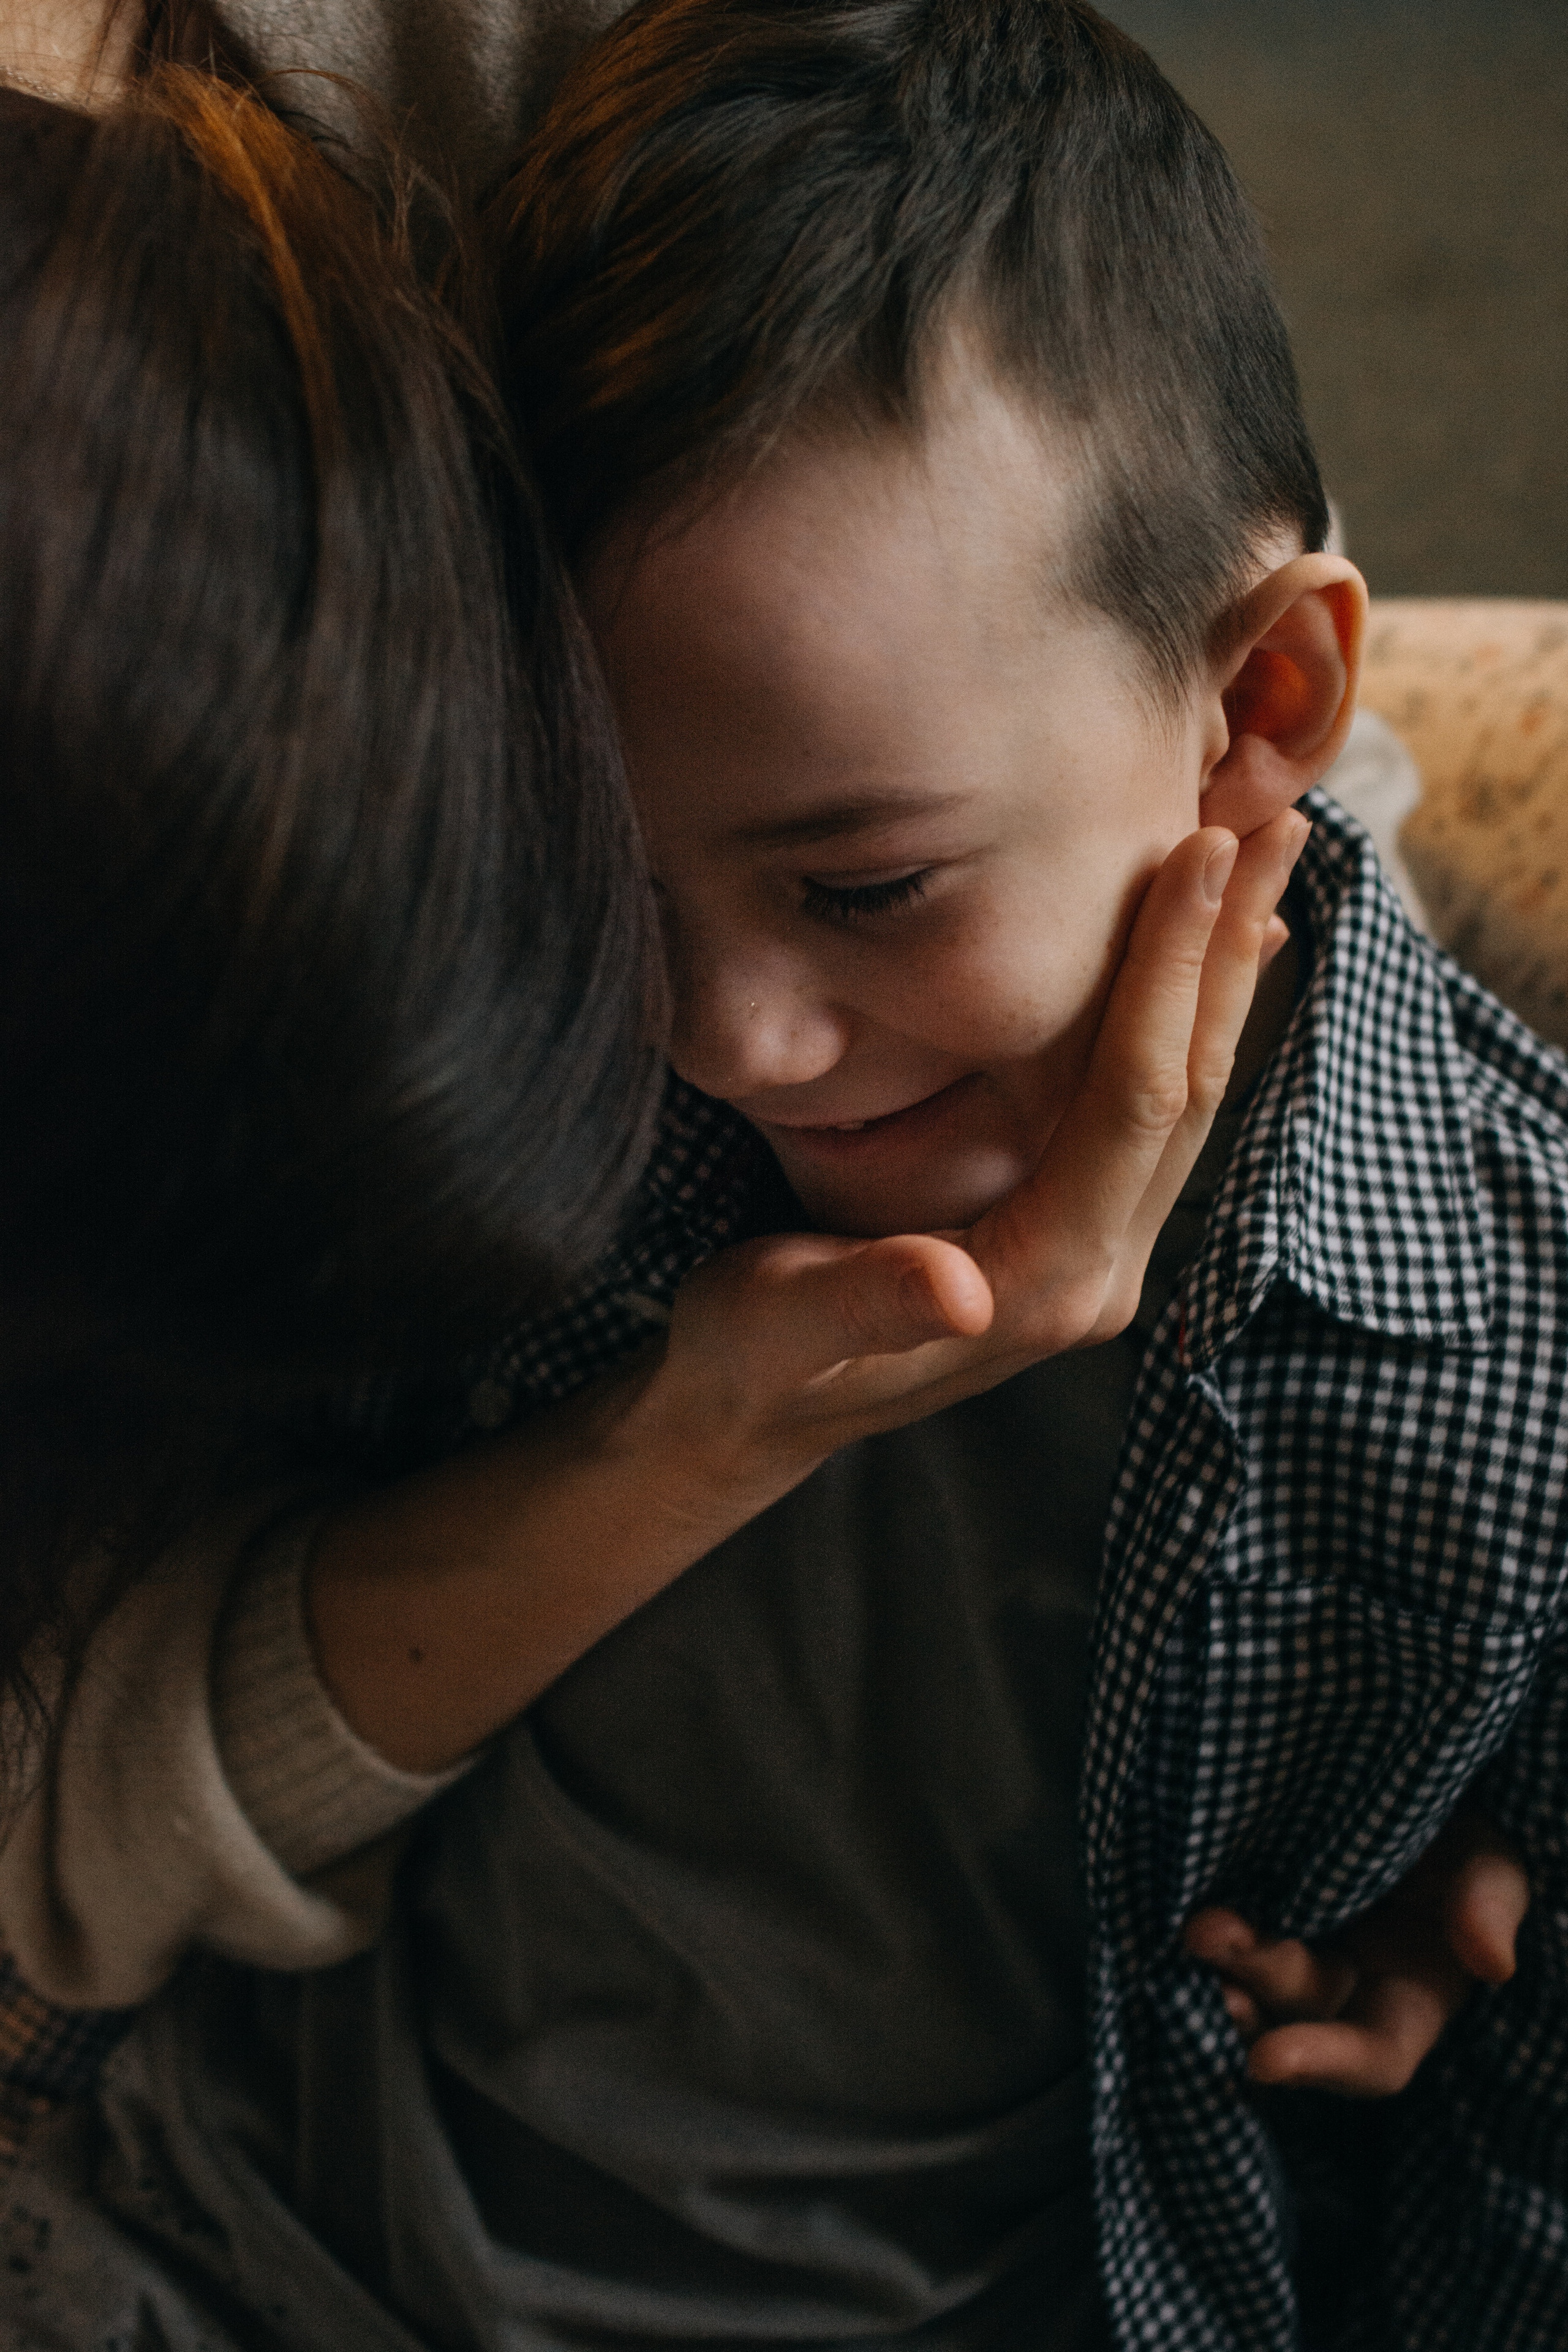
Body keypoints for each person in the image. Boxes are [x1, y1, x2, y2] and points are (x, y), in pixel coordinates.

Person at [0, 7, 1543, 2351]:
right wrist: (708, 1422)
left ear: (1261, 711)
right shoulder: (513, 1154)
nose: (721, 1042)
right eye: (606, 900)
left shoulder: (1488, 1330)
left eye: (862, 888)